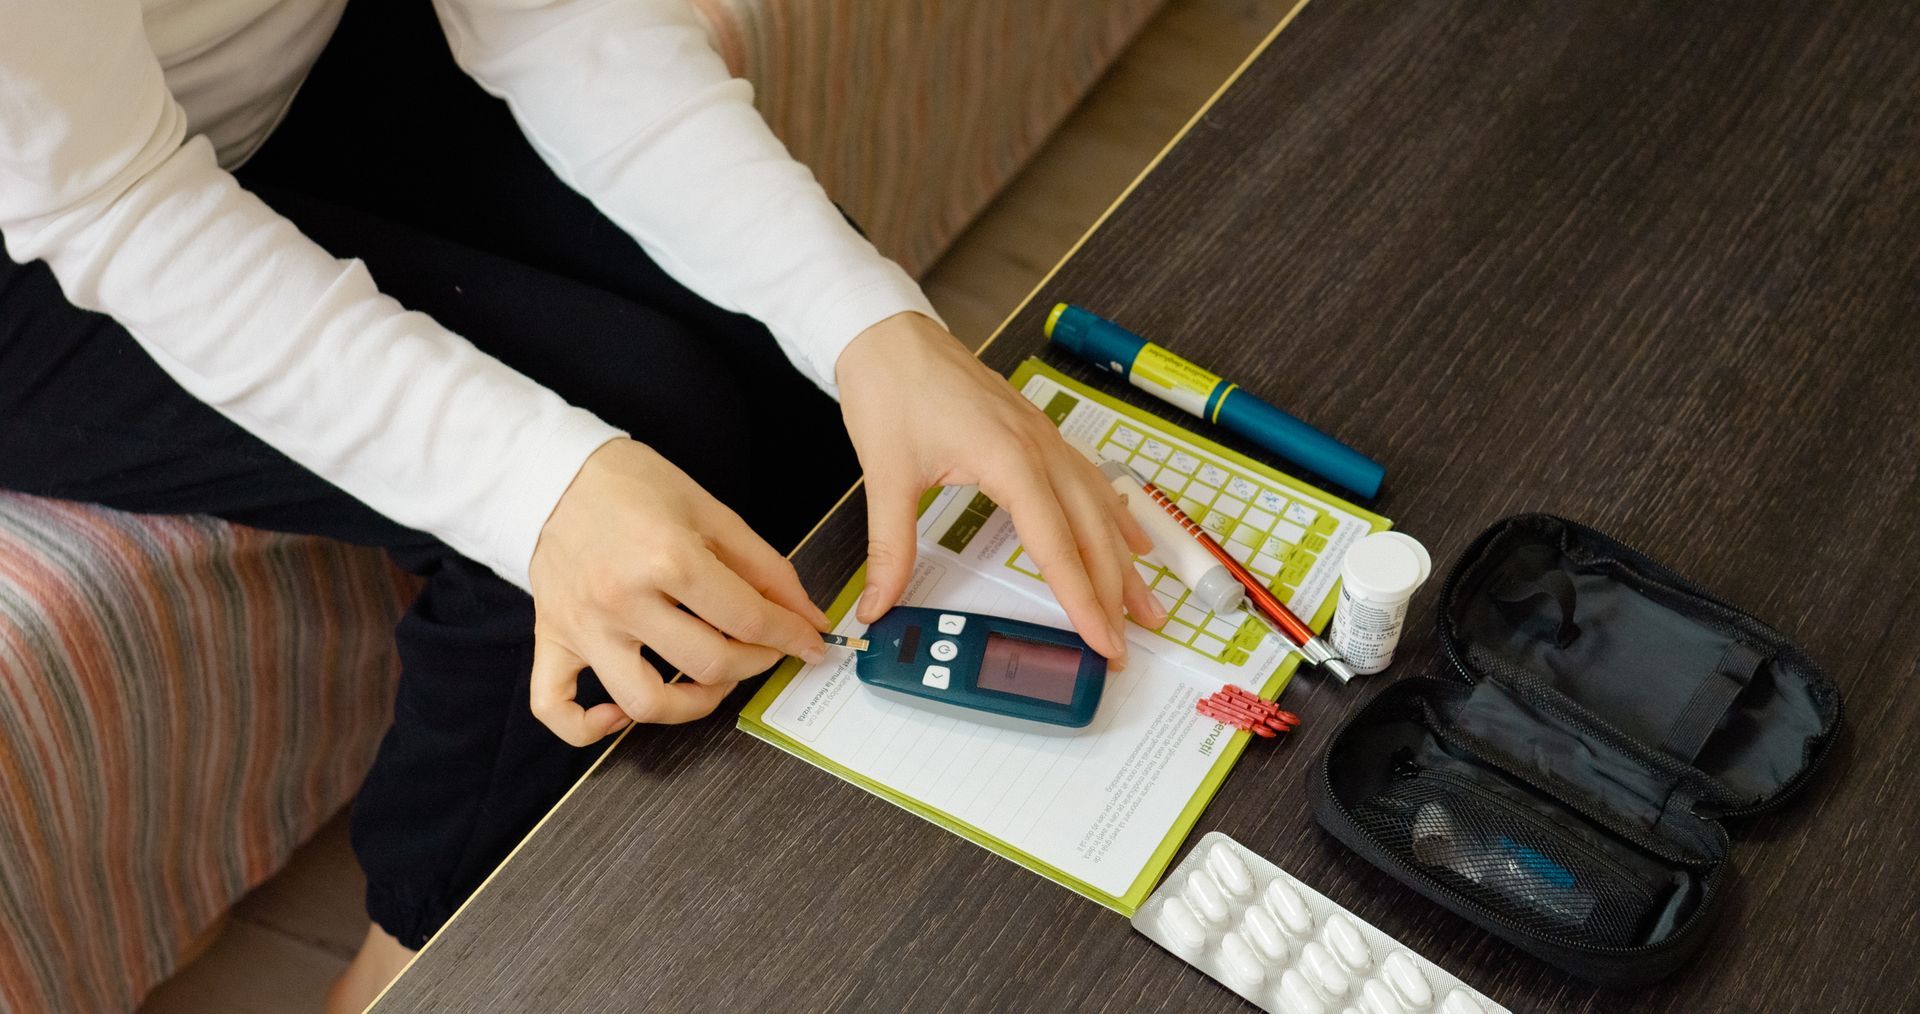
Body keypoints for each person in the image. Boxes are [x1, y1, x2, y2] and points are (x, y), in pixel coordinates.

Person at [1, 0, 1170, 1008]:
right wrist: (541, 492)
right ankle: (402, 971)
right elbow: (113, 199)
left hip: (277, 69)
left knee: (802, 399)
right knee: (632, 477)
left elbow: (553, 16)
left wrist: (870, 323)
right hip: (55, 220)